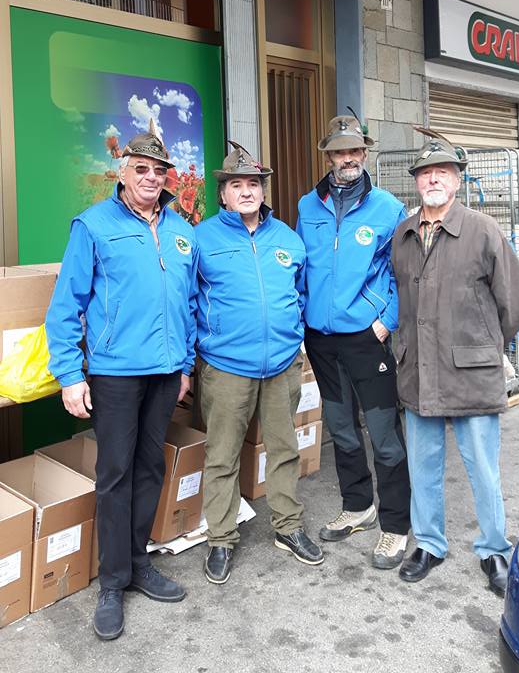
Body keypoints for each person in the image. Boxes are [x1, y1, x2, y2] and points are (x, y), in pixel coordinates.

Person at [45, 123, 198, 640]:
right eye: (141, 169)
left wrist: (185, 365)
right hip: (114, 373)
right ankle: (112, 584)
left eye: (159, 171)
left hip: (165, 373)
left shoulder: (181, 230)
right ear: (122, 171)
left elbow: (189, 303)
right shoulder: (93, 226)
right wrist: (70, 374)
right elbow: (65, 308)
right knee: (115, 475)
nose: (151, 178)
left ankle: (138, 563)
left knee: (150, 468)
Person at [391, 131, 519, 595]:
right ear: (417, 183)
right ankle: (429, 543)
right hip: (417, 372)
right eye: (426, 173)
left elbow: (514, 302)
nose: (433, 179)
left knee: (483, 469)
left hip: (470, 374)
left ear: (456, 180)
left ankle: (494, 550)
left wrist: (485, 346)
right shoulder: (404, 234)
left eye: (442, 172)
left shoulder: (483, 230)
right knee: (423, 466)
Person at [195, 142, 324, 585]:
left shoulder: (287, 238)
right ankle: (221, 538)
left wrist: (295, 340)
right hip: (227, 367)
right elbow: (184, 300)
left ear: (263, 191)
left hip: (283, 364)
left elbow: (301, 293)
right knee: (223, 454)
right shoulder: (202, 239)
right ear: (224, 194)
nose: (247, 191)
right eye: (237, 184)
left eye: (254, 184)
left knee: (285, 449)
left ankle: (287, 527)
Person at [296, 114, 411, 569]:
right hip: (322, 340)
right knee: (342, 430)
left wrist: (388, 320)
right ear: (328, 156)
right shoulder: (308, 205)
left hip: (367, 336)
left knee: (384, 435)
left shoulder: (387, 207)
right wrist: (303, 321)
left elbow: (403, 272)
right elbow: (301, 267)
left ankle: (396, 526)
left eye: (355, 150)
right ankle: (358, 506)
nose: (347, 158)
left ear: (365, 154)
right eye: (339, 152)